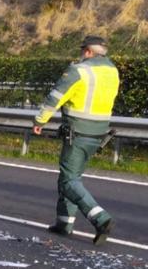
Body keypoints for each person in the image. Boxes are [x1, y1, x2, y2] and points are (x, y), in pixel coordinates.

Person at [33, 35, 120, 245]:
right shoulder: (113, 71)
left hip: (78, 131)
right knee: (73, 176)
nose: (81, 54)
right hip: (99, 133)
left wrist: (40, 120)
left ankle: (101, 219)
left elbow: (56, 96)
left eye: (83, 51)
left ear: (88, 51)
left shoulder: (79, 71)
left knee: (68, 180)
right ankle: (64, 224)